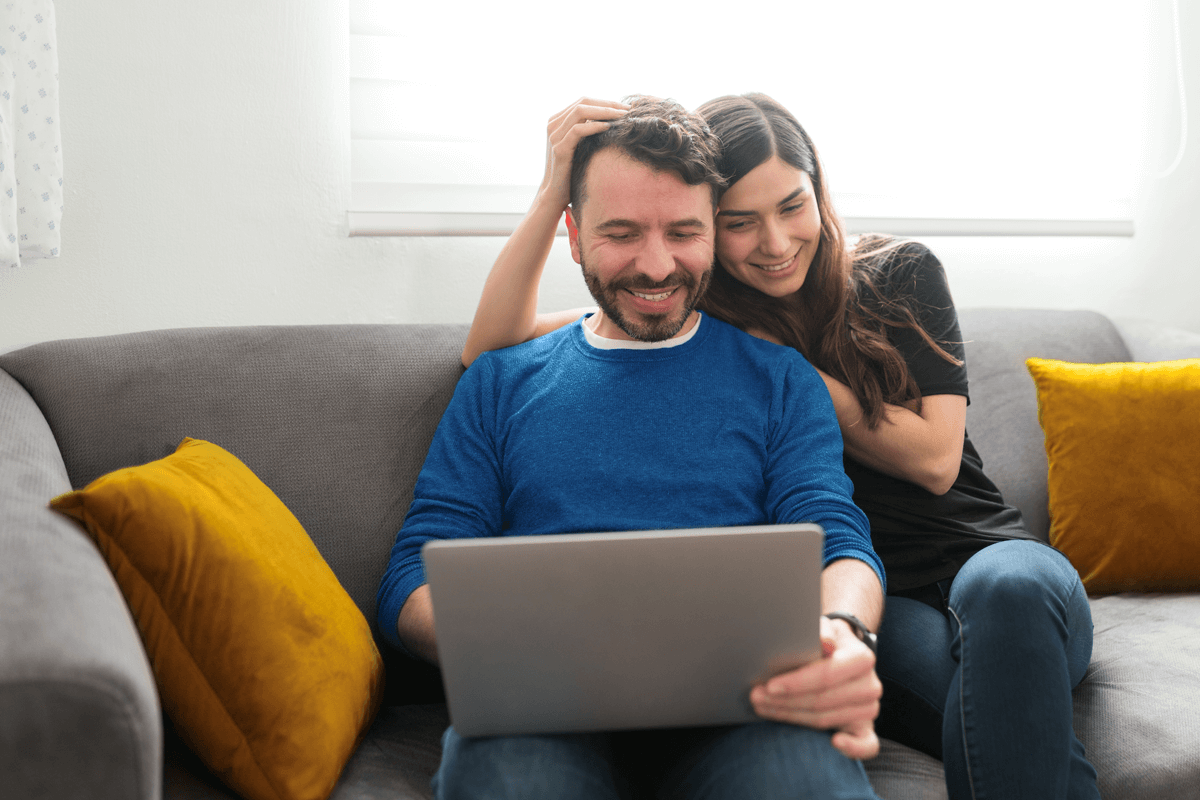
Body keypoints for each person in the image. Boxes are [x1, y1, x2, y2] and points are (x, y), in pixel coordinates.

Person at [462, 93, 1100, 800]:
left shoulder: (898, 274)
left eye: (792, 206)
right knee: (993, 712)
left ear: (820, 190)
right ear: (710, 228)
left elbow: (934, 460)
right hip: (884, 600)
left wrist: (793, 367)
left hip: (986, 558)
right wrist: (553, 192)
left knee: (1006, 595)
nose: (774, 241)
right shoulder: (696, 304)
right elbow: (494, 346)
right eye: (739, 222)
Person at [377, 96, 889, 800]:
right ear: (574, 233)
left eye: (684, 231)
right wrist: (509, 639)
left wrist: (843, 629)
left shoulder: (780, 381)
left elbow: (841, 541)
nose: (656, 266)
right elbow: (410, 576)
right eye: (621, 233)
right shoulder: (500, 381)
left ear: (713, 230)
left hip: (749, 714)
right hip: (539, 714)